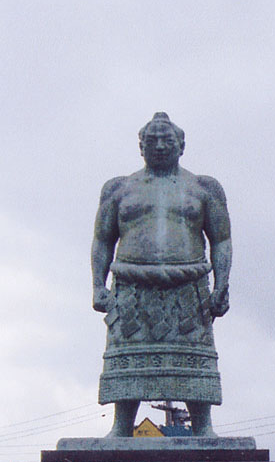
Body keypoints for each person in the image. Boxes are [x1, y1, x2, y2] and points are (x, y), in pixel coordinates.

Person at [91, 112, 232, 437]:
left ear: (181, 145)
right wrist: (98, 284)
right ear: (140, 146)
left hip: (188, 287)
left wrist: (221, 285)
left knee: (194, 358)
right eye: (151, 140)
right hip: (131, 288)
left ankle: (203, 427)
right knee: (127, 358)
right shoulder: (118, 188)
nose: (159, 145)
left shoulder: (203, 188)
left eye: (166, 140)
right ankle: (121, 427)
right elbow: (102, 239)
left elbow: (221, 240)